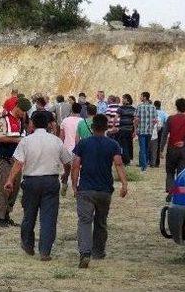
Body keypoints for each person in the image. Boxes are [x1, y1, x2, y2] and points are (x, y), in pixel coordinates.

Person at [4, 113, 73, 261]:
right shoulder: (56, 141)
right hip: (50, 181)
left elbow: (18, 164)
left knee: (29, 215)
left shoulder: (26, 141)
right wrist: (66, 175)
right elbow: (68, 162)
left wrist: (10, 180)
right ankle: (45, 251)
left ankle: (28, 244)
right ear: (48, 125)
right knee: (48, 218)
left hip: (31, 182)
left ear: (32, 124)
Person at [71, 114, 129, 269]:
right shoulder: (113, 144)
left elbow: (75, 165)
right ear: (106, 128)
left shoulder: (83, 144)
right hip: (105, 190)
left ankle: (85, 253)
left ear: (92, 127)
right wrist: (124, 184)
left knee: (84, 221)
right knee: (101, 222)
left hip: (86, 189)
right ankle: (98, 251)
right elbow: (118, 164)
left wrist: (74, 185)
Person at [0, 97, 32, 227]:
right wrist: (17, 140)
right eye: (23, 111)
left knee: (15, 189)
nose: (24, 113)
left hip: (17, 160)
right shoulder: (3, 120)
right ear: (17, 107)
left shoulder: (21, 122)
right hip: (6, 159)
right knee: (5, 187)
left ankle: (7, 214)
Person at [160, 98, 185, 201]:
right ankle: (178, 193)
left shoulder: (170, 119)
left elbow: (164, 135)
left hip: (172, 148)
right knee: (181, 172)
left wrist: (161, 149)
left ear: (176, 106)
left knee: (170, 172)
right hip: (183, 150)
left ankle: (170, 192)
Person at [60, 103, 84, 196]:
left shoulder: (65, 120)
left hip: (66, 147)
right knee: (76, 169)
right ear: (80, 110)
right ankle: (76, 189)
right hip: (78, 148)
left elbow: (62, 136)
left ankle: (64, 184)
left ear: (71, 110)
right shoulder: (82, 121)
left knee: (66, 170)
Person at [134, 92, 158, 172]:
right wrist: (151, 126)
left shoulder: (139, 107)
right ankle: (145, 163)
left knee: (142, 148)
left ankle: (144, 167)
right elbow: (155, 120)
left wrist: (135, 129)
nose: (140, 97)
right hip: (149, 131)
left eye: (141, 96)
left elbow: (136, 120)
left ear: (144, 97)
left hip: (141, 130)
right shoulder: (153, 107)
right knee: (147, 148)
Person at [117, 94, 136, 165]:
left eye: (123, 99)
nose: (122, 100)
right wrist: (134, 130)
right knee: (130, 144)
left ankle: (126, 160)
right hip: (130, 129)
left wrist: (115, 125)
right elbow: (135, 120)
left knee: (124, 145)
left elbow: (116, 118)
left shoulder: (121, 108)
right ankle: (130, 159)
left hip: (123, 129)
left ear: (127, 99)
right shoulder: (133, 109)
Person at [150, 100, 168, 167]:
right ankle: (157, 163)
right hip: (161, 130)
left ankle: (151, 161)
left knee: (152, 145)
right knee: (158, 146)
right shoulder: (164, 113)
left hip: (153, 129)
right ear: (160, 105)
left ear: (154, 105)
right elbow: (167, 121)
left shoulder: (152, 112)